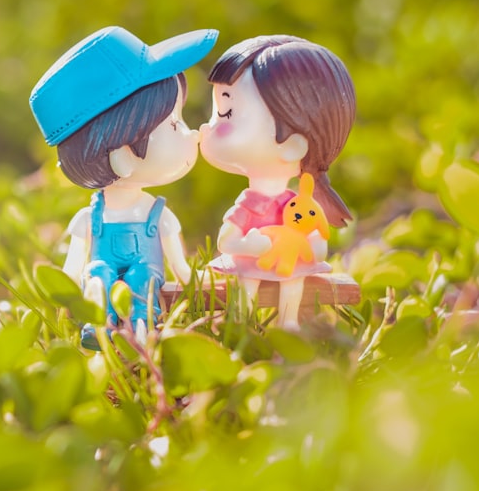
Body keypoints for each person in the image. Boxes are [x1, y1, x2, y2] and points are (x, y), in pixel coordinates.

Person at [29, 25, 218, 348]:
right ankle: (96, 326)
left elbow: (180, 267)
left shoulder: (158, 214)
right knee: (98, 273)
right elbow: (74, 267)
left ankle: (145, 326)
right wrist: (69, 287)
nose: (193, 134)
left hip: (147, 271)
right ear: (122, 157)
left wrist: (199, 283)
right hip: (101, 271)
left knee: (141, 278)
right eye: (174, 124)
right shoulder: (89, 218)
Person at [199, 35, 356, 328]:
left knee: (293, 285)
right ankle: (241, 324)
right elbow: (226, 241)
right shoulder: (249, 205)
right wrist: (249, 244)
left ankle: (289, 325)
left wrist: (309, 246)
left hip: (289, 264)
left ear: (293, 145)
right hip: (251, 263)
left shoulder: (298, 205)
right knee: (246, 286)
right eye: (217, 112)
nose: (207, 127)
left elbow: (318, 242)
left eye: (226, 113)